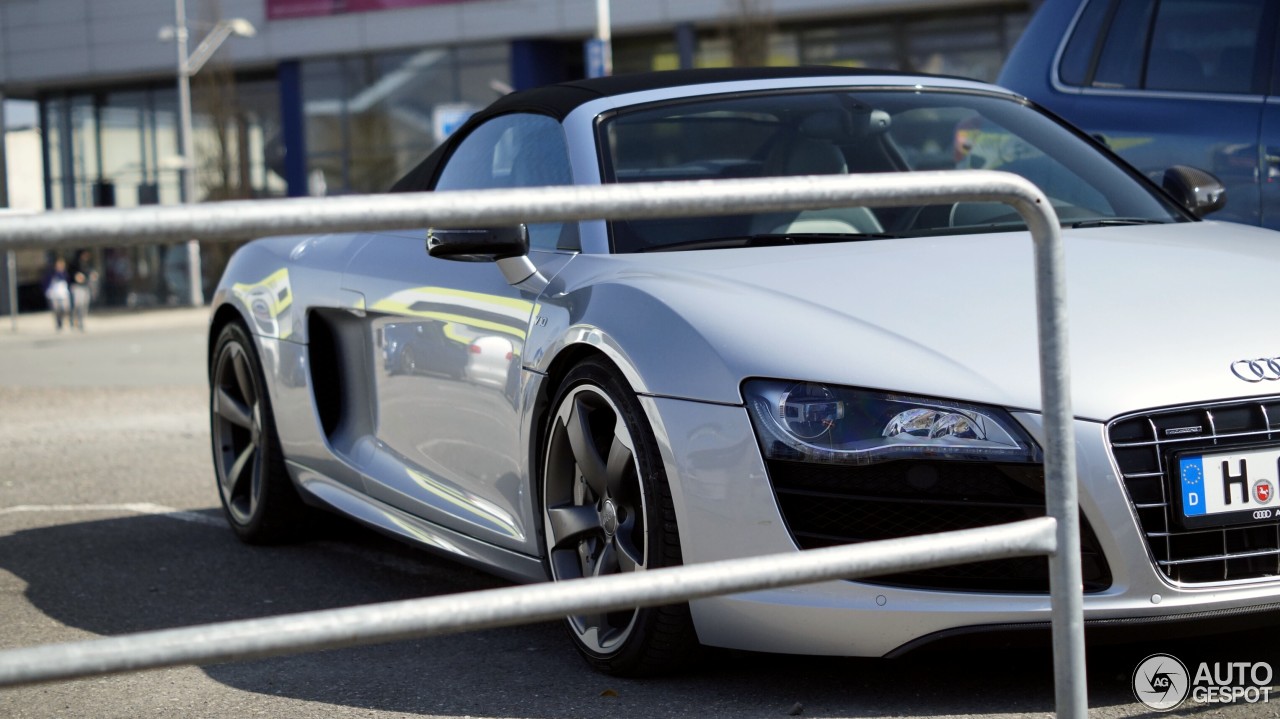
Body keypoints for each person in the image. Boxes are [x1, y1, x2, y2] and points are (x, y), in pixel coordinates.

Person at [69, 249, 96, 331]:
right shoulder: (75, 264)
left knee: (84, 305)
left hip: (85, 286)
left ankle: (81, 321)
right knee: (78, 305)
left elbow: (90, 273)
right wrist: (77, 277)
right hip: (77, 287)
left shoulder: (88, 264)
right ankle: (75, 320)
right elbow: (72, 274)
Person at [43, 257, 71, 331]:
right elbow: (46, 282)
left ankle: (62, 320)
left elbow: (67, 281)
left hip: (63, 294)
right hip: (54, 294)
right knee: (56, 309)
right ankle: (58, 323)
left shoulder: (65, 273)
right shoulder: (51, 274)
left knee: (64, 308)